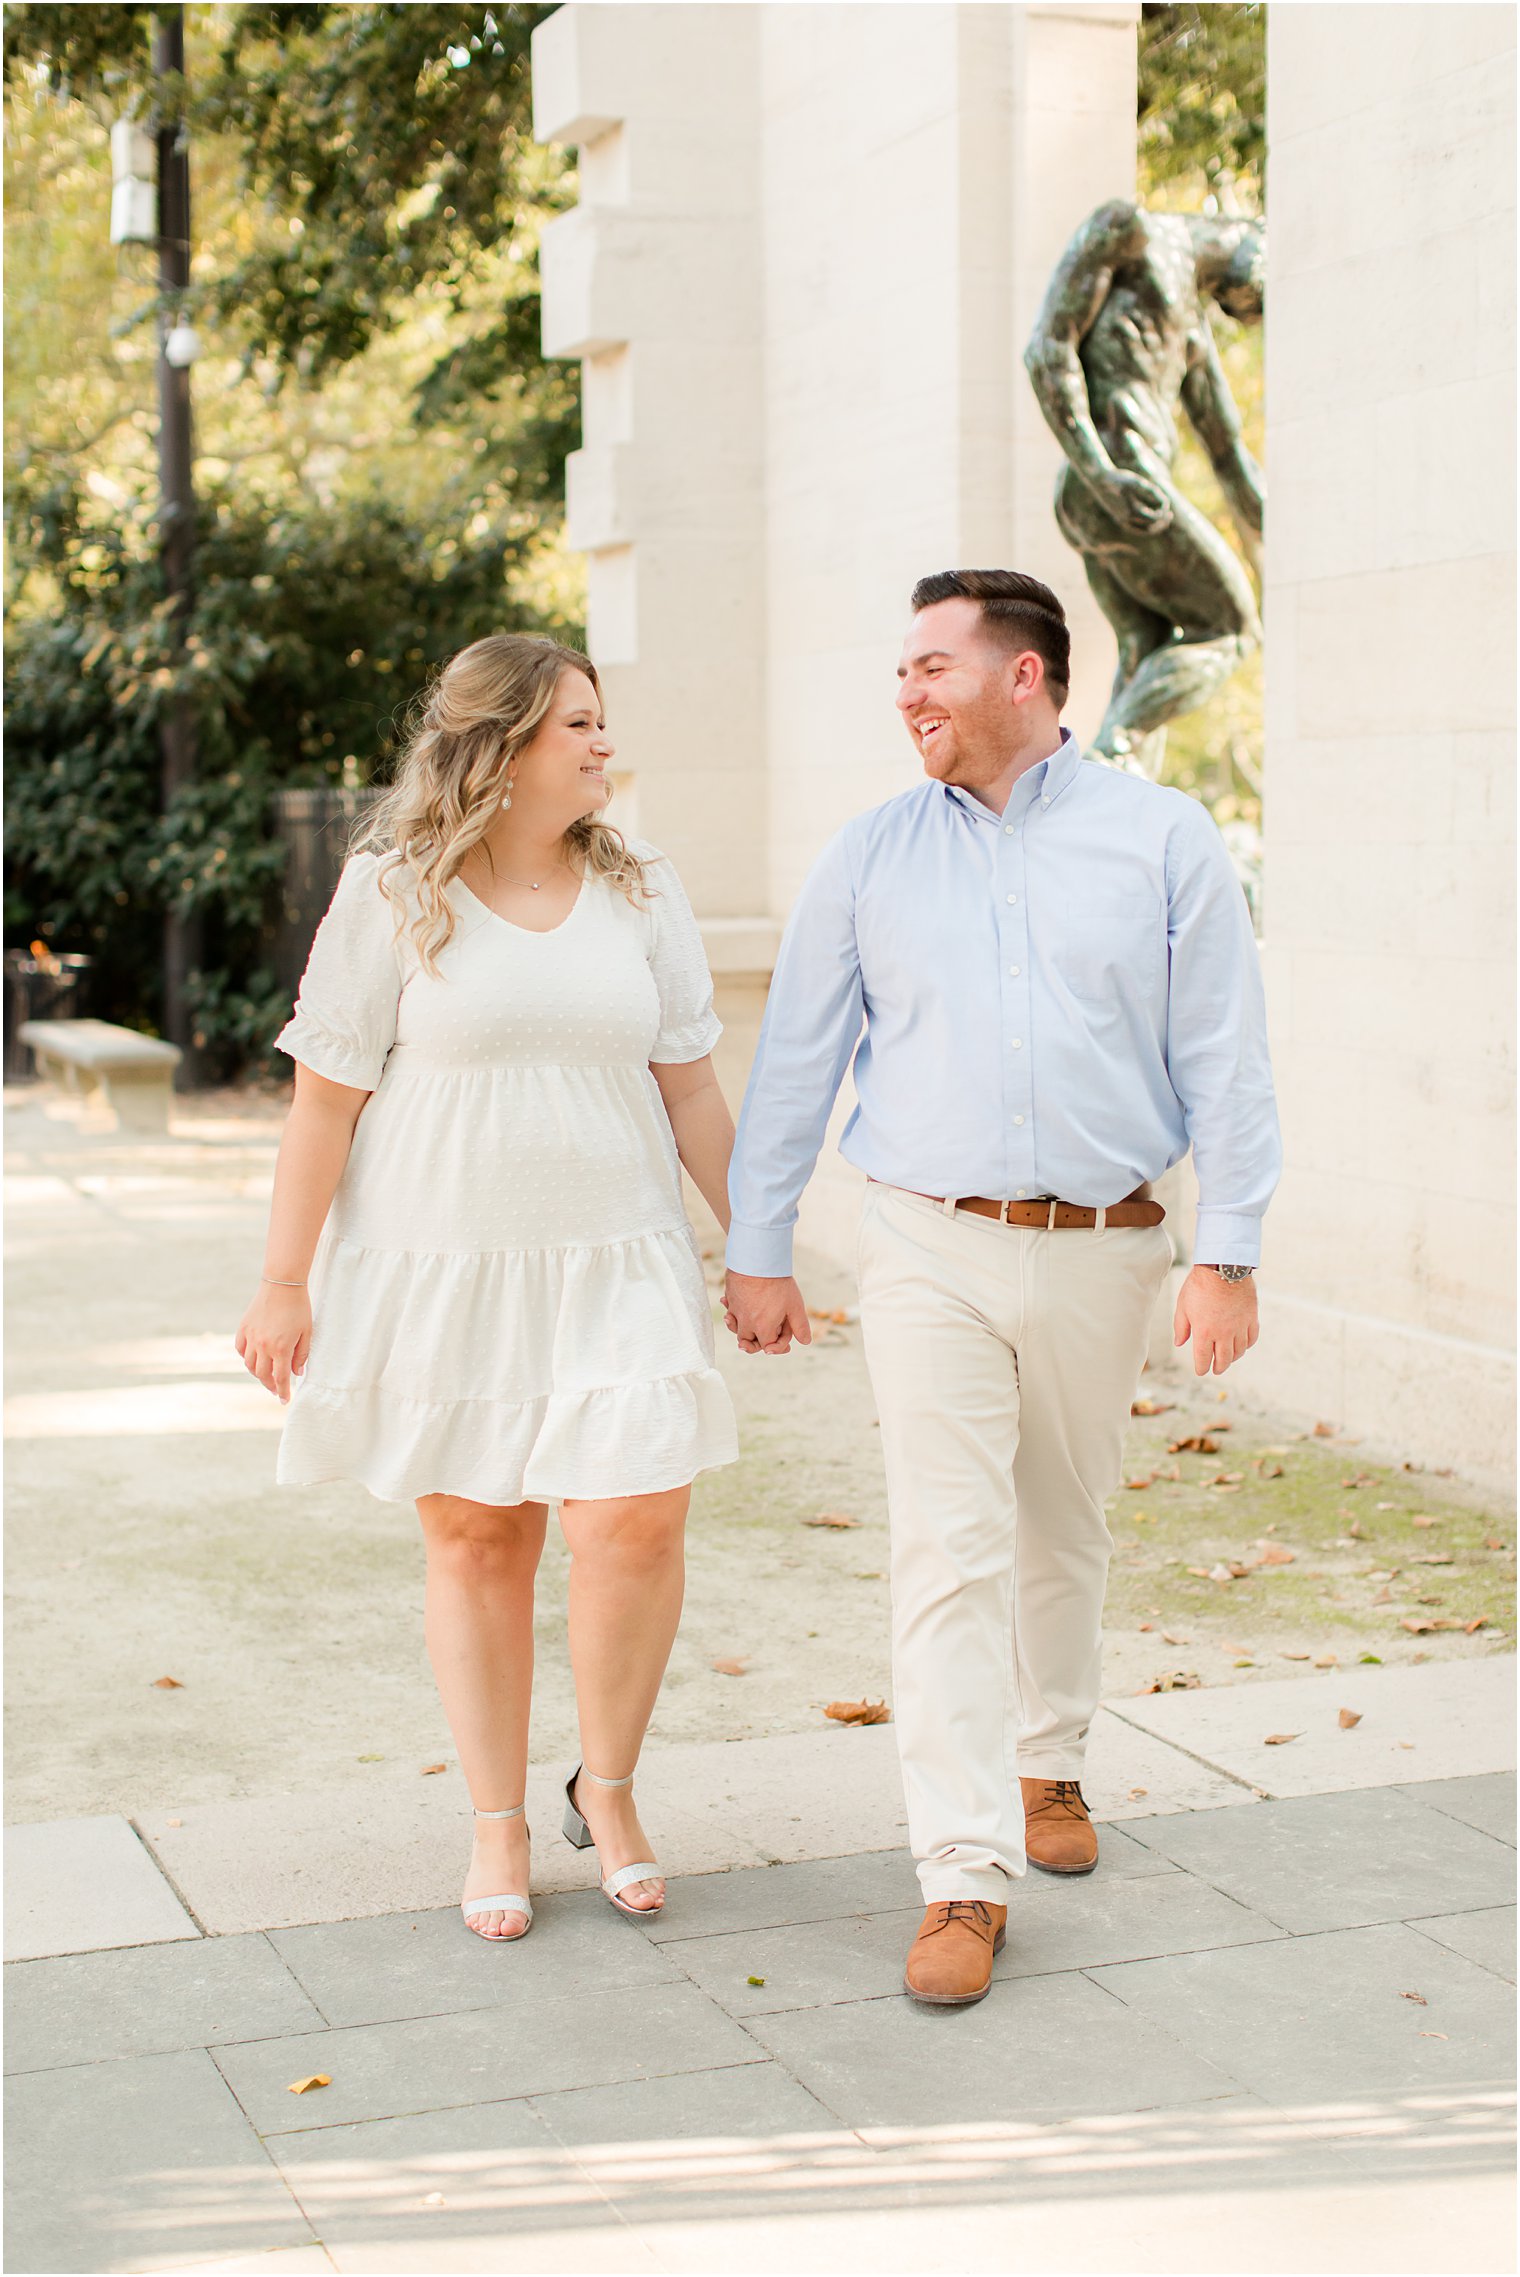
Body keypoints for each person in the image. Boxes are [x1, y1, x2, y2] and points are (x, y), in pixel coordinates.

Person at [724, 569, 1280, 2006]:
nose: (906, 692)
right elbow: (796, 1060)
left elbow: (1225, 1055)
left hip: (1111, 1241)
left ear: (1024, 678)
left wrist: (1230, 1250)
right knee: (946, 1546)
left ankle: (1054, 1761)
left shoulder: (1162, 841)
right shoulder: (868, 857)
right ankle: (963, 1874)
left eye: (932, 666)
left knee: (1064, 1522)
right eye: (902, 668)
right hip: (926, 1241)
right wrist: (760, 1238)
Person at [236, 635, 738, 1942]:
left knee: (634, 1520)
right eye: (578, 723)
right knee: (480, 1540)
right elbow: (325, 1096)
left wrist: (761, 1246)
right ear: (505, 743)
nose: (601, 745)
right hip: (446, 1267)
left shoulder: (642, 890)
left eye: (601, 721)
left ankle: (609, 1789)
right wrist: (283, 1281)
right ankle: (497, 1821)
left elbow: (689, 1084)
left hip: (618, 1258)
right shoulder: (396, 890)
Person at [1024, 203, 1265, 775]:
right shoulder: (1125, 230)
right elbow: (1047, 349)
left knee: (1146, 644)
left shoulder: (1193, 330)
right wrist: (1102, 474)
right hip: (1119, 485)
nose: (1252, 311)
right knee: (1230, 626)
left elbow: (1228, 452)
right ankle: (1114, 751)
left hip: (1122, 493)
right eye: (1257, 301)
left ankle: (1110, 797)